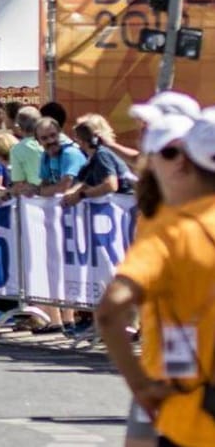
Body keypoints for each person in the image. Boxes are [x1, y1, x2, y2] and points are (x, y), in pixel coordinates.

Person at [96, 106, 215, 447]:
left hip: (189, 412)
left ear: (188, 160)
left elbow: (109, 311)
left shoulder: (173, 232)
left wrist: (141, 384)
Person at [65, 114, 134, 206]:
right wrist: (72, 193)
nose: (77, 139)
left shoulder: (102, 153)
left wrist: (81, 195)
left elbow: (110, 185)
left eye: (82, 132)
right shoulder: (93, 158)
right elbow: (87, 183)